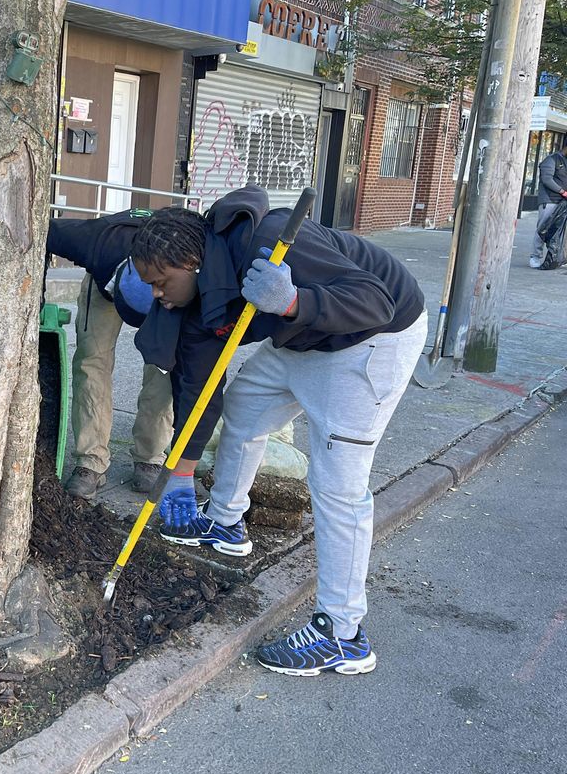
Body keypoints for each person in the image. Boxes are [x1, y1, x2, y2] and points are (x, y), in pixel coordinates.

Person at [120, 186, 426, 677]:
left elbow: (377, 301)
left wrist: (291, 302)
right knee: (244, 408)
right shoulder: (205, 293)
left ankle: (343, 634)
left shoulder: (271, 241)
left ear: (191, 261)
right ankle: (225, 522)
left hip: (370, 339)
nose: (157, 294)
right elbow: (199, 388)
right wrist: (180, 468)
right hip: (305, 337)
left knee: (337, 488)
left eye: (160, 282)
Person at [48, 209, 175, 499]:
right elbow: (43, 233)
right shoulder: (88, 241)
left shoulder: (180, 259)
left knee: (164, 366)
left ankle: (150, 457)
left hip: (167, 280)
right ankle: (91, 462)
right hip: (107, 273)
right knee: (91, 361)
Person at [532, 141, 567, 268]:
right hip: (549, 200)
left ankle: (556, 257)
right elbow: (547, 179)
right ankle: (535, 256)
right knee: (542, 228)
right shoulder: (551, 160)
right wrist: (562, 191)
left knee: (558, 231)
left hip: (563, 203)